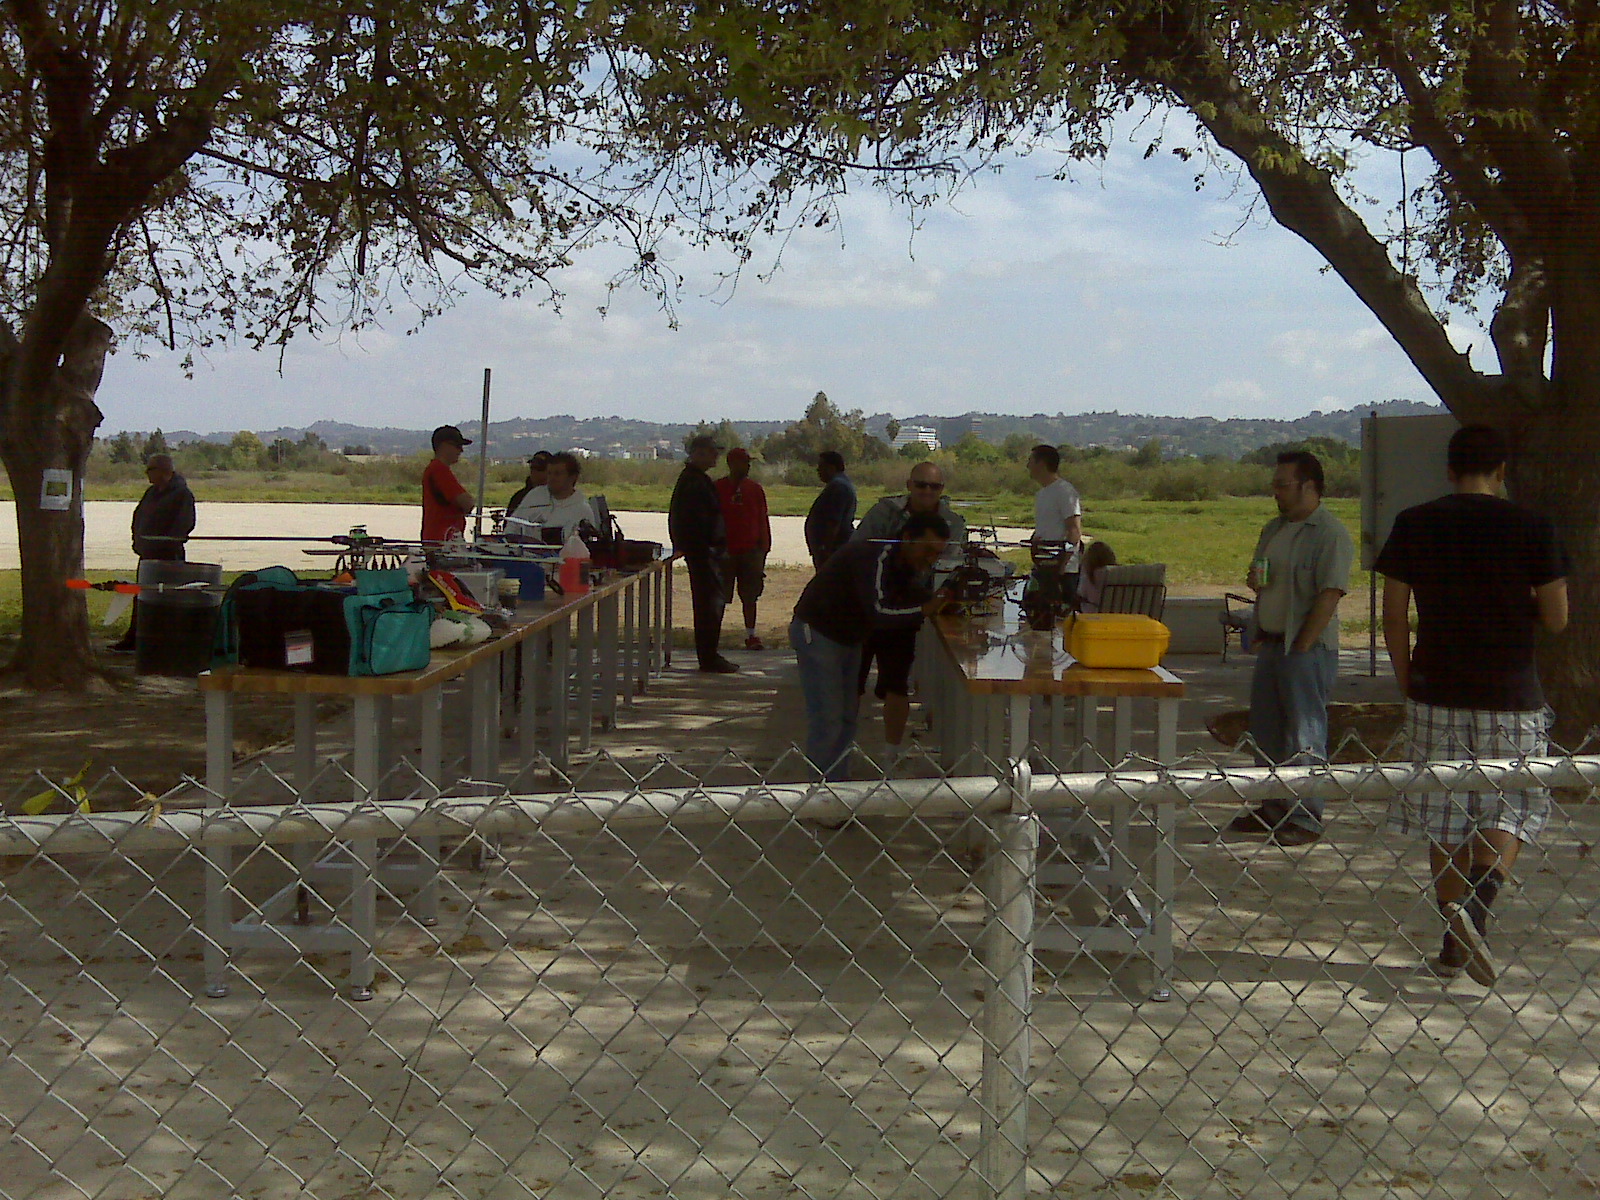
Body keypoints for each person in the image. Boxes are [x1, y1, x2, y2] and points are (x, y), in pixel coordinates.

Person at [1375, 425, 1568, 985]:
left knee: (1446, 816)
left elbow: (1393, 612)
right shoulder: (1533, 526)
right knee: (1511, 806)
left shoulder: (1415, 522)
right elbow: (1557, 618)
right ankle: (1477, 912)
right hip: (1510, 693)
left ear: (1449, 469)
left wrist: (1407, 677)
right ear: (1502, 471)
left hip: (1437, 687)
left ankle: (1452, 940)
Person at [1227, 450, 1355, 846]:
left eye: (1283, 485)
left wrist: (1303, 643)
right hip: (1271, 643)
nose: (1276, 492)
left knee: (1304, 734)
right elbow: (1262, 580)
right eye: (1275, 485)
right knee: (1266, 731)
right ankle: (1272, 807)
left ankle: (1306, 816)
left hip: (1305, 650)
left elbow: (1330, 593)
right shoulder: (1274, 529)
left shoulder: (1330, 534)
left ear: (1309, 487)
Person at [790, 512, 952, 780]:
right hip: (818, 633)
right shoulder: (875, 557)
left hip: (849, 638)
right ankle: (820, 790)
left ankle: (836, 783)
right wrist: (926, 608)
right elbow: (879, 612)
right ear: (907, 538)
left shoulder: (904, 563)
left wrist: (946, 597)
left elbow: (908, 595)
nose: (931, 559)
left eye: (937, 554)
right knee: (828, 720)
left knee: (846, 718)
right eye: (927, 550)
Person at [849, 461, 968, 763]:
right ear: (909, 485)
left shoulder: (953, 523)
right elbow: (857, 549)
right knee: (851, 680)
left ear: (942, 490)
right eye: (921, 485)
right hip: (868, 606)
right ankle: (841, 746)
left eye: (934, 486)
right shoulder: (884, 512)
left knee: (897, 682)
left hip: (909, 609)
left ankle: (891, 753)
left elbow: (951, 567)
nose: (927, 491)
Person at [109, 453, 197, 653]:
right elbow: (138, 516)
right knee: (142, 596)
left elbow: (184, 524)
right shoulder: (151, 493)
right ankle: (135, 637)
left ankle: (164, 640)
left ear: (164, 471)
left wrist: (165, 544)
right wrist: (138, 539)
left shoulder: (182, 494)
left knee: (165, 598)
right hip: (147, 554)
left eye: (151, 469)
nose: (147, 473)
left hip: (168, 556)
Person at [670, 433, 737, 673]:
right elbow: (690, 521)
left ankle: (710, 654)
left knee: (711, 605)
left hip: (706, 553)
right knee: (709, 606)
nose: (716, 456)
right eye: (711, 451)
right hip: (705, 555)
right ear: (698, 453)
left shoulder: (696, 479)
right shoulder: (694, 482)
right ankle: (708, 657)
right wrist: (706, 549)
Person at [716, 447, 771, 651]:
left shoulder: (755, 489)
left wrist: (764, 547)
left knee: (750, 596)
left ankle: (751, 634)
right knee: (720, 595)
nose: (747, 467)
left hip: (750, 551)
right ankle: (714, 635)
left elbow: (762, 518)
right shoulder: (717, 488)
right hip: (725, 551)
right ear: (732, 464)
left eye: (749, 463)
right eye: (744, 462)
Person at [508, 451, 595, 540]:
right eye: (549, 473)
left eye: (557, 474)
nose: (551, 478)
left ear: (572, 477)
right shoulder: (534, 495)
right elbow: (512, 526)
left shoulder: (583, 511)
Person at [422, 424, 474, 543]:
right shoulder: (439, 469)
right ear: (444, 446)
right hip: (442, 542)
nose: (461, 450)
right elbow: (467, 503)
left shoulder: (435, 468)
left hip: (441, 540)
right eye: (458, 446)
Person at [804, 450, 856, 568]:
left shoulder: (838, 487)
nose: (818, 470)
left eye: (821, 466)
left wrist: (825, 548)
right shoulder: (840, 484)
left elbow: (833, 521)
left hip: (833, 549)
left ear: (831, 467)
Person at [504, 451, 552, 522]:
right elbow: (509, 524)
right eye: (532, 467)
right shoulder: (519, 497)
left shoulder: (558, 496)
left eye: (539, 468)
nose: (534, 471)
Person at [1077, 540, 1118, 613]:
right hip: (1115, 613)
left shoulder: (1089, 576)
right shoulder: (1118, 575)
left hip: (1092, 613)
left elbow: (1081, 594)